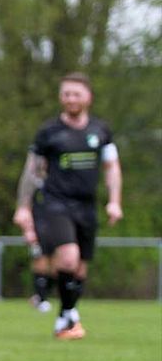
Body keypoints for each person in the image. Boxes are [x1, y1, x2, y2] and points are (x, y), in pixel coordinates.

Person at [12, 72, 123, 339]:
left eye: (76, 93)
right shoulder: (48, 132)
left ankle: (67, 316)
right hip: (56, 203)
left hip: (87, 206)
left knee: (81, 267)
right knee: (68, 257)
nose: (70, 99)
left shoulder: (101, 130)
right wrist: (23, 206)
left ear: (88, 97)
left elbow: (112, 167)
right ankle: (66, 316)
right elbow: (32, 170)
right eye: (66, 94)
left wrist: (115, 201)